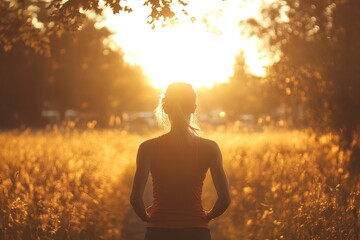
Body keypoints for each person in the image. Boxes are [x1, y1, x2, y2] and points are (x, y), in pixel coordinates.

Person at [130, 82, 231, 240]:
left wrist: (146, 217)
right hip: (197, 232)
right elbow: (224, 200)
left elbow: (136, 200)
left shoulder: (147, 148)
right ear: (194, 108)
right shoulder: (210, 148)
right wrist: (207, 216)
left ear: (165, 107)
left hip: (159, 232)